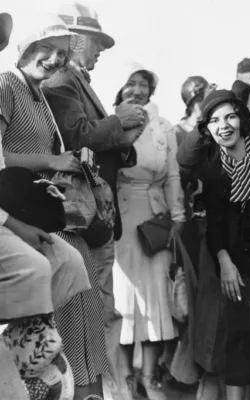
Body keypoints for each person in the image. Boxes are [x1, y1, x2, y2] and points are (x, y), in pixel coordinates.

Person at [0, 12, 109, 399]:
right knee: (49, 321)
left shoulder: (40, 94)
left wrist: (69, 159)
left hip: (49, 215)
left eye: (61, 53)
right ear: (25, 46)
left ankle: (80, 390)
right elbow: (1, 157)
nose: (53, 59)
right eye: (45, 48)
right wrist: (53, 162)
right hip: (19, 219)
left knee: (79, 303)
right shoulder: (6, 85)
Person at [42, 3, 144, 399]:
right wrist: (120, 120)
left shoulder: (74, 79)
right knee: (97, 313)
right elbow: (77, 135)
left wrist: (123, 134)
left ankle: (102, 390)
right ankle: (101, 392)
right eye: (97, 42)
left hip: (96, 217)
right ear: (75, 38)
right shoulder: (64, 79)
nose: (101, 50)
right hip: (87, 218)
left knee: (101, 312)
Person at [181, 89, 250, 400]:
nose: (224, 125)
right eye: (215, 120)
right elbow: (216, 223)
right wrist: (225, 262)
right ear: (207, 129)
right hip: (238, 261)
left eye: (230, 116)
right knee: (240, 335)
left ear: (242, 119)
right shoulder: (212, 167)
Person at [111, 62, 186, 400]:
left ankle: (150, 374)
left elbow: (172, 176)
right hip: (119, 217)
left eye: (144, 85)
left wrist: (177, 217)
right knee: (125, 295)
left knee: (155, 294)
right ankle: (126, 376)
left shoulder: (163, 126)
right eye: (131, 84)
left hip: (154, 220)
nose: (138, 91)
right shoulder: (108, 122)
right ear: (120, 88)